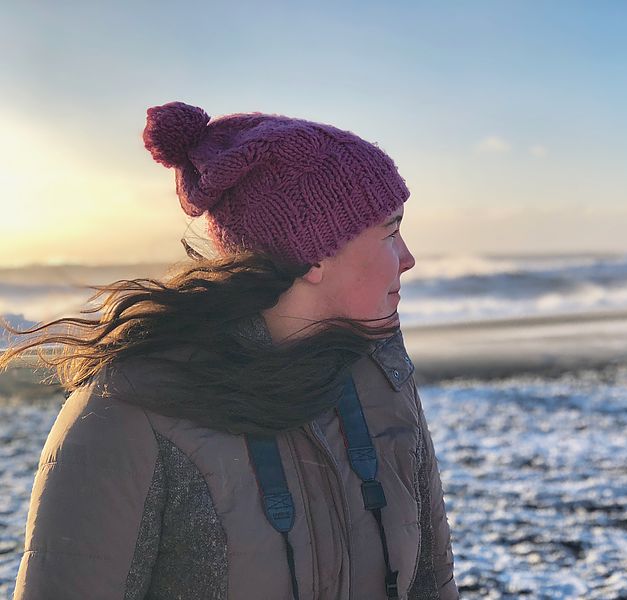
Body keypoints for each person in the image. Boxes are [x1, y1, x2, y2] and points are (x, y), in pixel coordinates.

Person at [4, 101, 460, 599]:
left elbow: (430, 585)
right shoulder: (126, 415)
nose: (409, 258)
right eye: (391, 232)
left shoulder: (381, 377)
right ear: (312, 255)